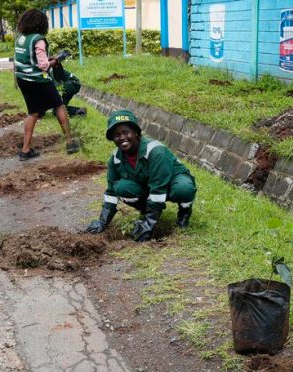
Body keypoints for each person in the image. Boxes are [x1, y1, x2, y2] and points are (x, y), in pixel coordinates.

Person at [85, 110, 196, 242]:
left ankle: (184, 214)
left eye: (126, 132)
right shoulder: (116, 158)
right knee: (120, 187)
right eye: (116, 135)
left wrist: (149, 224)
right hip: (149, 184)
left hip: (171, 182)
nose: (122, 138)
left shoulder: (155, 151)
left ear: (136, 133)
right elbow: (111, 192)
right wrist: (102, 222)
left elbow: (158, 188)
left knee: (184, 189)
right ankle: (145, 210)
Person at [14, 9, 80, 161]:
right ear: (41, 24)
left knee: (33, 113)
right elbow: (43, 66)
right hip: (38, 80)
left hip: (23, 79)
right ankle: (70, 143)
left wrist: (48, 58)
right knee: (59, 106)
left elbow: (27, 58)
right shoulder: (39, 39)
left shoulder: (21, 38)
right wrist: (55, 61)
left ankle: (25, 150)